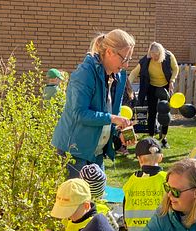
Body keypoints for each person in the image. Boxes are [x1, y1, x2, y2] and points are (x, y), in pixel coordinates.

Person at [52, 30, 135, 178]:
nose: (127, 64)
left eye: (129, 59)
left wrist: (120, 130)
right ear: (109, 52)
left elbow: (112, 111)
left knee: (96, 198)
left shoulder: (119, 76)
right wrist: (113, 118)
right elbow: (79, 113)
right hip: (74, 150)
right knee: (76, 201)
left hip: (95, 152)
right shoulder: (85, 73)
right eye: (124, 59)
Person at [129, 42, 179, 148]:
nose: (154, 57)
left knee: (165, 112)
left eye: (156, 55)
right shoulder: (145, 60)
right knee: (151, 113)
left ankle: (164, 138)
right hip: (152, 87)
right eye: (152, 55)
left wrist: (172, 80)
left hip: (165, 86)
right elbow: (134, 72)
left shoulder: (168, 56)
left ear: (161, 53)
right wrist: (128, 85)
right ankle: (151, 137)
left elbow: (175, 68)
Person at [123, 137, 166, 231]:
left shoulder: (131, 181)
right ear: (161, 157)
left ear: (140, 159)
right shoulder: (167, 179)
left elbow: (125, 207)